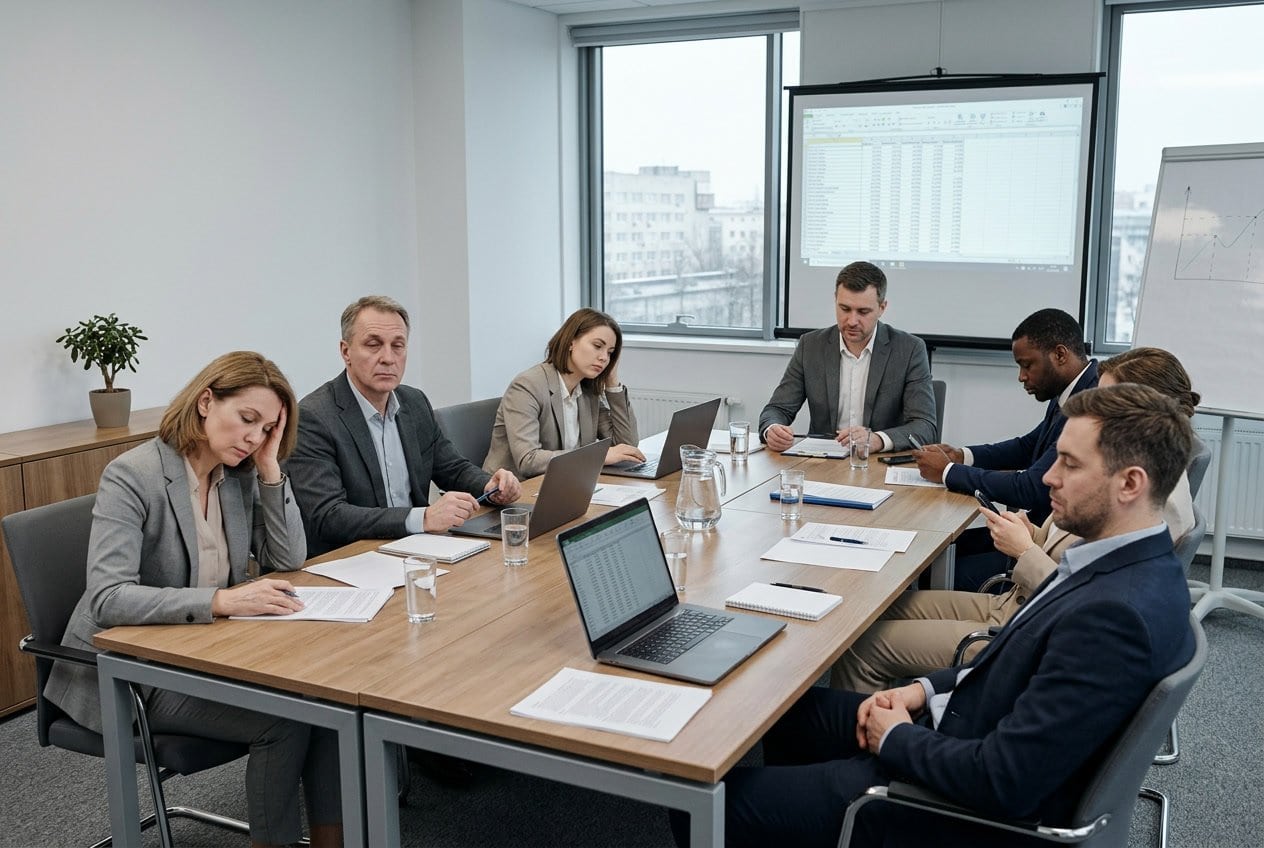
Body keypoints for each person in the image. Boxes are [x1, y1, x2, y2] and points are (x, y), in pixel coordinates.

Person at [676, 382, 1196, 848]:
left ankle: (821, 816)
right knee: (786, 712)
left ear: (1130, 484)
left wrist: (898, 738)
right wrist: (920, 690)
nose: (1050, 479)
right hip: (959, 724)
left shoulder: (1115, 617)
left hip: (954, 805)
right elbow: (1010, 659)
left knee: (702, 806)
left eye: (1071, 465)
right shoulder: (1126, 564)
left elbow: (1005, 781)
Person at [44, 352, 342, 848]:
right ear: (206, 402)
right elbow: (109, 598)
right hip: (128, 670)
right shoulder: (132, 476)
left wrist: (270, 468)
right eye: (247, 420)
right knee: (286, 720)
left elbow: (288, 558)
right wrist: (221, 600)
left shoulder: (240, 473)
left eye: (266, 428)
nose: (253, 437)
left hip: (203, 652)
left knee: (327, 702)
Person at [831, 346, 1200, 693]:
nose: (1054, 476)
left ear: (1145, 411)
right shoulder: (1138, 476)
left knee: (860, 645)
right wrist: (1035, 534)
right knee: (872, 606)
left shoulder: (1150, 504)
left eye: (1106, 404)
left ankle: (863, 739)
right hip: (1014, 600)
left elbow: (1084, 601)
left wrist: (1025, 550)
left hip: (1027, 625)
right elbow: (1081, 561)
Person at [286, 296, 522, 556]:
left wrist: (489, 487)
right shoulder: (313, 417)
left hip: (418, 550)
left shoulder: (414, 402)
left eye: (398, 346)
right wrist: (423, 519)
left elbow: (451, 468)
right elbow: (328, 515)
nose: (388, 358)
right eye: (373, 345)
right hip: (354, 558)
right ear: (346, 351)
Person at [913, 307, 1097, 525]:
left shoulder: (1089, 403)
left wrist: (948, 471)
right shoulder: (1070, 392)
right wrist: (960, 456)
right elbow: (1027, 447)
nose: (1021, 377)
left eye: (1027, 365)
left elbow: (1031, 487)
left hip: (1043, 539)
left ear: (1060, 354)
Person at [758, 261, 936, 456]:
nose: (852, 321)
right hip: (822, 464)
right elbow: (777, 409)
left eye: (863, 312)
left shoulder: (909, 350)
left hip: (878, 465)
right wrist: (772, 429)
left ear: (882, 307)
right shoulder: (811, 346)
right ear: (835, 300)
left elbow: (925, 427)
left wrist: (877, 439)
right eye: (844, 309)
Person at [482, 307, 643, 479]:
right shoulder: (527, 385)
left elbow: (626, 447)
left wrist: (612, 382)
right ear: (571, 342)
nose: (604, 357)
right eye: (597, 346)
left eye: (610, 353)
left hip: (564, 482)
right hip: (514, 492)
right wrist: (598, 456)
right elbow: (528, 461)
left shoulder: (588, 392)